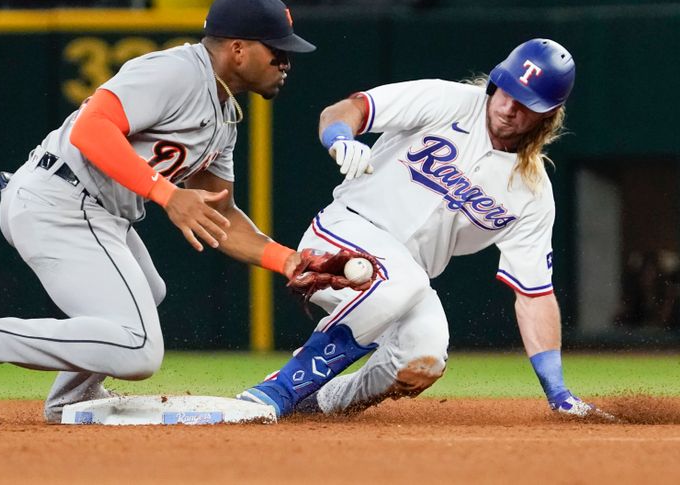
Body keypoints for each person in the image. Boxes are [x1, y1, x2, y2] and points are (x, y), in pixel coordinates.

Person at [0, 0, 320, 421]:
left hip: (88, 208)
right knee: (139, 349)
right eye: (277, 51)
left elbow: (220, 215)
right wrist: (167, 194)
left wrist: (290, 261)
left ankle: (72, 396)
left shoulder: (224, 118)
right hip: (61, 199)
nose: (286, 63)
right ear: (238, 49)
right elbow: (90, 129)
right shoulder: (178, 72)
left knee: (150, 290)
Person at [238, 39, 612, 419]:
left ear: (548, 115)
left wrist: (558, 391)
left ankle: (317, 404)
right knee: (402, 282)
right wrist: (340, 138)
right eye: (507, 90)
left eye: (526, 103)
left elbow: (534, 295)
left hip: (406, 277)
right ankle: (277, 391)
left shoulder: (531, 193)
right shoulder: (447, 101)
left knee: (424, 358)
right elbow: (348, 109)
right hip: (346, 233)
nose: (509, 107)